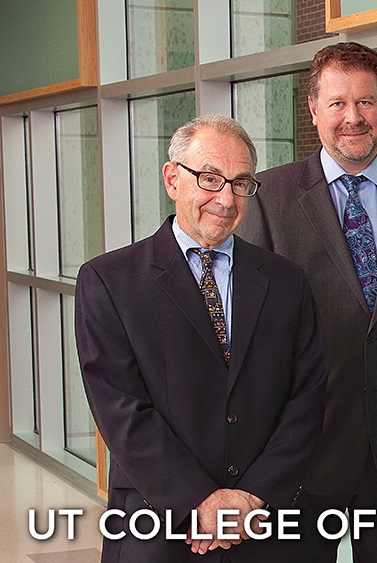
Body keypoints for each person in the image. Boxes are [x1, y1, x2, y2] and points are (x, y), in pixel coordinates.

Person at [236, 41, 377, 562]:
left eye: (366, 102)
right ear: (314, 110)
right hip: (305, 447)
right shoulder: (268, 198)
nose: (353, 118)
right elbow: (252, 331)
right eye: (338, 103)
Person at [76, 114, 328, 562]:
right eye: (210, 179)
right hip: (159, 522)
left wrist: (252, 497)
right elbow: (121, 411)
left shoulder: (286, 281)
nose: (226, 199)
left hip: (265, 526)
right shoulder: (108, 281)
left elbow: (307, 397)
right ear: (173, 179)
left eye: (240, 183)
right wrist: (201, 502)